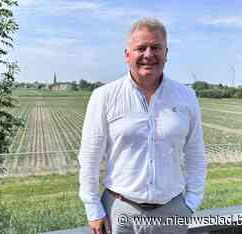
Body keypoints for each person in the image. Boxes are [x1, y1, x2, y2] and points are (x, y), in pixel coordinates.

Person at [78, 18, 207, 234]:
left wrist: (191, 203)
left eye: (156, 47)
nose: (149, 54)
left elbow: (196, 153)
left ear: (166, 53)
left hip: (172, 212)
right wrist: (93, 209)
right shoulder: (104, 96)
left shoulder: (186, 97)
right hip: (119, 212)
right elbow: (89, 157)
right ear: (127, 54)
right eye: (141, 48)